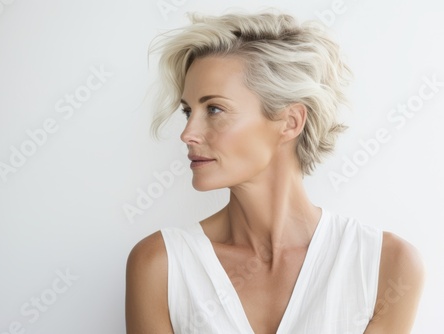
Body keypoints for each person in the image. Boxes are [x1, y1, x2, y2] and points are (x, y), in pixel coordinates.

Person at [126, 9, 425, 334]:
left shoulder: (386, 265)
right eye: (188, 112)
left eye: (214, 109)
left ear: (290, 121)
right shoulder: (161, 264)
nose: (187, 134)